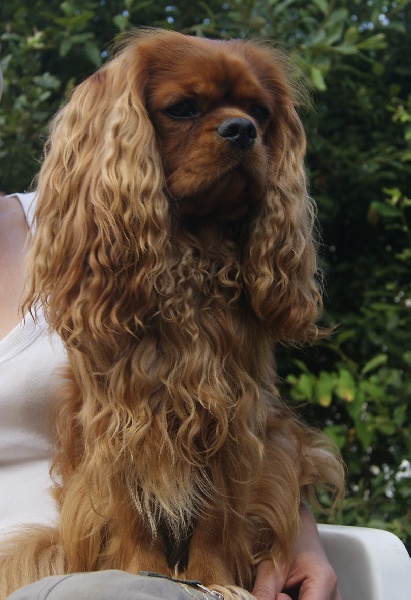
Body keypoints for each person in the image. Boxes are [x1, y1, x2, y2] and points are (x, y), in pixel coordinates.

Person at [0, 63, 340, 600]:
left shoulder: (101, 229)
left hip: (157, 581)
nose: (239, 127)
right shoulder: (94, 231)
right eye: (183, 109)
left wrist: (295, 538)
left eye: (257, 115)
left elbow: (251, 418)